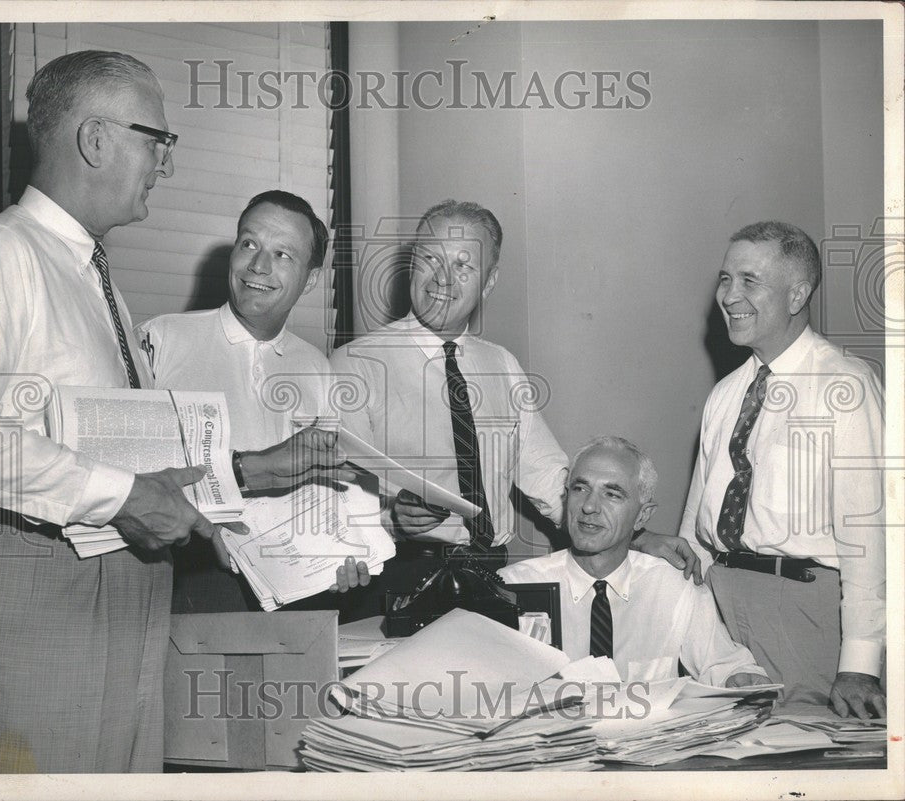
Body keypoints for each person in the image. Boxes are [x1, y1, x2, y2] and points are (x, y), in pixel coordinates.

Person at [0, 51, 343, 774]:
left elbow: (113, 455)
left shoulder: (102, 289)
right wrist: (123, 495)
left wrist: (194, 496)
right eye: (158, 140)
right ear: (96, 140)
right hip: (37, 592)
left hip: (125, 594)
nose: (166, 164)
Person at [329, 200, 695, 617]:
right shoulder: (354, 365)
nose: (442, 279)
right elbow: (337, 499)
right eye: (430, 258)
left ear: (489, 282)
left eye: (463, 266)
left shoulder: (501, 364)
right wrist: (392, 519)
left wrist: (635, 536)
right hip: (396, 576)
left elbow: (548, 477)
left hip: (488, 576)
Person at [678, 221, 885, 717]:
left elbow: (870, 536)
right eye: (725, 279)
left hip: (802, 611)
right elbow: (697, 524)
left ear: (797, 294)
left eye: (750, 280)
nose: (729, 296)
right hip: (722, 610)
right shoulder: (726, 393)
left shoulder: (847, 385)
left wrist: (860, 663)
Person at [136, 189, 368, 606]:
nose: (258, 266)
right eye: (249, 244)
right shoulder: (161, 338)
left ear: (310, 279)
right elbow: (131, 471)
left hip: (293, 585)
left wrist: (345, 551)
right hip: (183, 574)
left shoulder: (317, 367)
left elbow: (329, 491)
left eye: (283, 255)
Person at [500, 437, 770, 686]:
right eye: (580, 488)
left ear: (642, 517)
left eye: (612, 494)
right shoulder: (514, 587)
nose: (589, 507)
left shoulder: (673, 585)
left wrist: (742, 679)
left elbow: (723, 664)